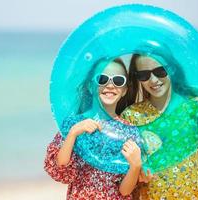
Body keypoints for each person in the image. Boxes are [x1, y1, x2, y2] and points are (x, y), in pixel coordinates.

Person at [121, 54, 198, 199]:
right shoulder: (132, 115)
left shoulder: (195, 107)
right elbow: (124, 173)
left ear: (171, 69)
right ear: (137, 78)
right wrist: (137, 173)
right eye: (144, 75)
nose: (153, 80)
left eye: (160, 71)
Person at [44, 58, 142, 199]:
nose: (110, 85)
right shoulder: (74, 123)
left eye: (118, 81)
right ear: (91, 86)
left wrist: (135, 166)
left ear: (124, 90)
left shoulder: (129, 131)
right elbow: (60, 170)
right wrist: (72, 134)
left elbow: (125, 191)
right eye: (103, 79)